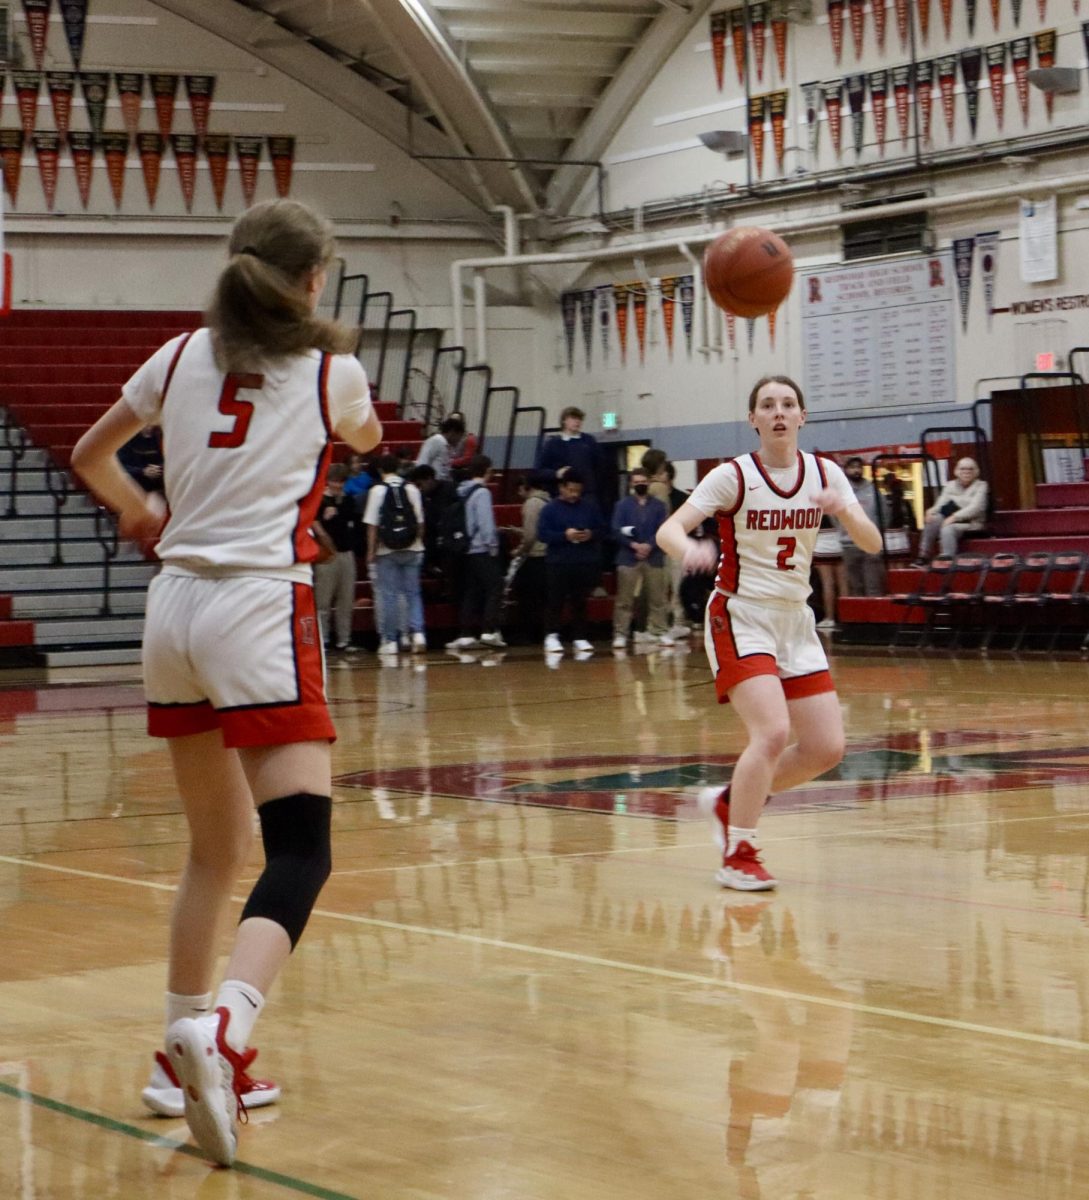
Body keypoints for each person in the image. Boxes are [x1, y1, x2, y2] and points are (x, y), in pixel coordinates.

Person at [69, 198, 382, 1166]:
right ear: (315, 280)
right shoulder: (334, 371)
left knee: (213, 848)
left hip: (173, 610)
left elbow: (91, 456)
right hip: (257, 606)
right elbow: (365, 441)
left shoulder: (174, 357)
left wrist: (142, 509)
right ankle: (229, 1036)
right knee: (301, 850)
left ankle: (175, 1055)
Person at [655, 375, 881, 891]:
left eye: (788, 404)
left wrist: (843, 508)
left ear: (802, 417)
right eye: (767, 405)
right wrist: (687, 550)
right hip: (740, 614)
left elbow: (868, 542)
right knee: (773, 732)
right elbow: (669, 528)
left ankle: (730, 800)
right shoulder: (733, 476)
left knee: (826, 748)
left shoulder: (825, 473)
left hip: (794, 621)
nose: (778, 412)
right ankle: (740, 851)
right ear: (752, 419)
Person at [537, 468, 606, 656]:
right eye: (571, 490)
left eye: (578, 490)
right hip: (558, 563)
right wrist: (564, 535)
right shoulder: (549, 509)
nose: (575, 494)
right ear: (562, 488)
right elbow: (542, 534)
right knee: (555, 601)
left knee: (580, 601)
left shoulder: (590, 507)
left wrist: (591, 534)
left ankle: (580, 637)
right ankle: (551, 635)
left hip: (583, 561)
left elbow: (602, 529)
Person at [364, 453, 427, 655]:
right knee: (413, 594)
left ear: (381, 470)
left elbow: (372, 525)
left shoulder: (377, 491)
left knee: (389, 596)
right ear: (399, 467)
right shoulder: (411, 489)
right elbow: (420, 522)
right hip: (413, 548)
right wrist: (417, 542)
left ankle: (391, 641)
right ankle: (418, 634)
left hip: (387, 550)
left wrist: (371, 551)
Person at [446, 454, 506, 651]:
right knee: (495, 586)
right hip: (481, 548)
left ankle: (465, 635)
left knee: (471, 591)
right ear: (487, 470)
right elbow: (485, 524)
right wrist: (493, 546)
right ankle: (488, 631)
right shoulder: (482, 493)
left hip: (466, 548)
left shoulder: (463, 490)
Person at [611, 467, 671, 649]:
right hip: (628, 557)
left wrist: (649, 545)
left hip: (654, 557)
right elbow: (615, 530)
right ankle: (621, 634)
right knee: (624, 600)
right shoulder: (621, 506)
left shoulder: (659, 506)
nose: (640, 485)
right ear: (631, 484)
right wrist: (634, 545)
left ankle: (660, 631)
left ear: (648, 483)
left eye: (643, 482)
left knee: (658, 598)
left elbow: (663, 529)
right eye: (636, 482)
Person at [313, 462, 361, 652]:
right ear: (328, 481)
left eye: (341, 482)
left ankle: (344, 640)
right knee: (323, 601)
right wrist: (328, 546)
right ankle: (323, 640)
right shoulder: (319, 500)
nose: (338, 485)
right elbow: (316, 527)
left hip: (346, 554)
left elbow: (353, 523)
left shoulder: (349, 501)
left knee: (346, 600)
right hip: (327, 555)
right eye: (334, 481)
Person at [914, 457, 988, 564]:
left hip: (972, 522)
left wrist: (954, 517)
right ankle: (923, 555)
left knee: (947, 528)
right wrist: (931, 511)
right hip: (951, 518)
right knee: (933, 520)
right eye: (963, 469)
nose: (966, 471)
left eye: (970, 469)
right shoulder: (950, 485)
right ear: (956, 471)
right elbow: (940, 504)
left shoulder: (982, 485)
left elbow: (975, 508)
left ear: (976, 472)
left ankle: (947, 559)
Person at [509, 470, 550, 643]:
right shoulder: (547, 500)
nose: (519, 495)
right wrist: (518, 531)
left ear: (525, 487)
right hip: (547, 556)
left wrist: (518, 551)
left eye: (519, 490)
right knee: (542, 599)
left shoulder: (532, 503)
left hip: (535, 557)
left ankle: (527, 634)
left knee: (526, 597)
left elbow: (531, 536)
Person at [839, 456, 886, 596]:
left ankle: (875, 617)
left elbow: (884, 514)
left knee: (874, 587)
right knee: (855, 588)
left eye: (859, 467)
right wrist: (844, 531)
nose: (856, 470)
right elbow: (835, 516)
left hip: (870, 544)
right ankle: (859, 618)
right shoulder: (841, 491)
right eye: (852, 467)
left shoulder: (873, 490)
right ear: (846, 470)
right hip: (849, 545)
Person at [536, 405, 601, 495]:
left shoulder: (589, 441)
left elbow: (599, 468)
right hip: (561, 494)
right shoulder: (552, 444)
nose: (577, 422)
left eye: (580, 419)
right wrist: (556, 474)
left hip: (587, 493)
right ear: (564, 421)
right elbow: (539, 471)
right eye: (573, 418)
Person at [812, 513, 846, 629]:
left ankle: (830, 618)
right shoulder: (832, 504)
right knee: (842, 583)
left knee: (828, 584)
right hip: (837, 542)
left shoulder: (812, 505)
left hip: (821, 542)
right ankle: (846, 617)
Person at [414, 414, 465, 481]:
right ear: (452, 432)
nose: (459, 440)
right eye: (459, 436)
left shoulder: (448, 446)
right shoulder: (436, 440)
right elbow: (423, 462)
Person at [118, 426, 165, 492]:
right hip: (138, 483)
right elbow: (121, 466)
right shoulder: (126, 438)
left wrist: (159, 468)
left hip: (162, 479)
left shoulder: (162, 434)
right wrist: (143, 471)